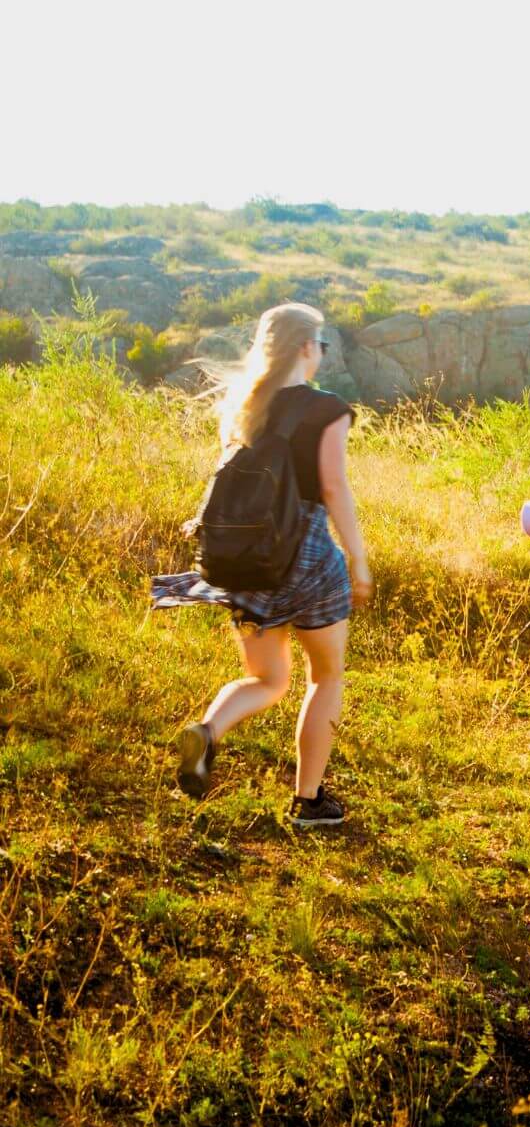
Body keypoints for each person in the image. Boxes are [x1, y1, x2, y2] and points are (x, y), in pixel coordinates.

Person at [151, 303, 372, 826]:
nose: (322, 353)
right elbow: (334, 488)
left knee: (267, 679)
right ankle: (309, 802)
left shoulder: (242, 404)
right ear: (303, 346)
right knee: (326, 676)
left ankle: (207, 731)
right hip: (310, 559)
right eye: (321, 344)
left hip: (247, 561)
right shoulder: (328, 409)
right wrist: (359, 559)